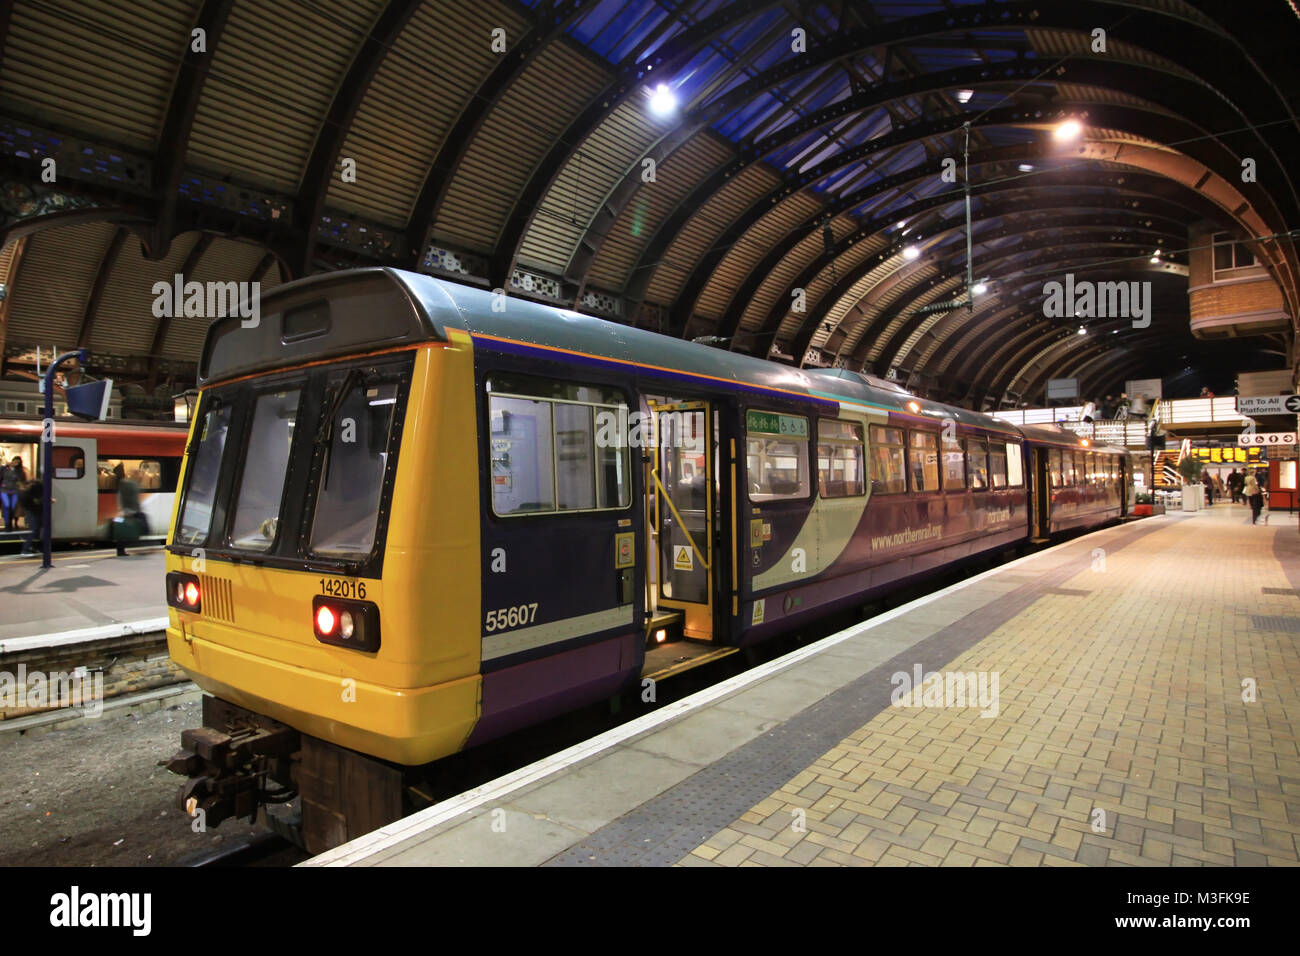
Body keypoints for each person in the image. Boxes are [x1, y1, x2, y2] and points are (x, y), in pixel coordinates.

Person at [18, 479, 45, 555]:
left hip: (33, 511)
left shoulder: (25, 492)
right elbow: (35, 502)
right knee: (34, 529)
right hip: (33, 512)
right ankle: (25, 549)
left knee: (37, 529)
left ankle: (32, 547)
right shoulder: (31, 491)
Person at [1, 456, 24, 532]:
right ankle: (7, 524)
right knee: (7, 506)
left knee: (12, 508)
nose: (16, 463)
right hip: (4, 490)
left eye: (18, 462)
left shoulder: (19, 471)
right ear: (12, 461)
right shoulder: (4, 469)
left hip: (14, 490)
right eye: (15, 461)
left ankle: (10, 524)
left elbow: (21, 481)